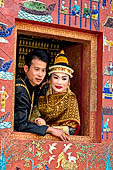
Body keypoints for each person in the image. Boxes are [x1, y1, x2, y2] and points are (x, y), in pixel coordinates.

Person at [14, 49, 69, 141]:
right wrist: (49, 129)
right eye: (37, 69)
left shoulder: (35, 88)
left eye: (43, 70)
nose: (40, 74)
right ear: (26, 69)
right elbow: (21, 125)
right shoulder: (20, 89)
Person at [31, 50, 80, 135]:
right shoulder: (43, 96)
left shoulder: (70, 98)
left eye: (64, 79)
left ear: (69, 82)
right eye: (56, 78)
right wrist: (37, 121)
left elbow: (72, 129)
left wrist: (48, 127)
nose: (59, 82)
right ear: (49, 80)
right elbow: (31, 118)